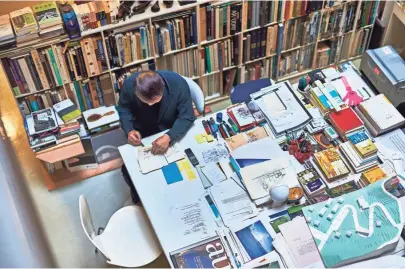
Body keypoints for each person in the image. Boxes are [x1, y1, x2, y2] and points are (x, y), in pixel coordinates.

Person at [117, 70, 196, 203]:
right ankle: (139, 199)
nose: (149, 105)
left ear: (162, 89)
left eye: (153, 102)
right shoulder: (130, 84)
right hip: (144, 130)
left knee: (184, 168)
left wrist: (169, 136)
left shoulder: (178, 84)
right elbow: (124, 109)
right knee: (130, 171)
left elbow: (187, 116)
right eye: (145, 102)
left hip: (172, 127)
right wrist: (129, 130)